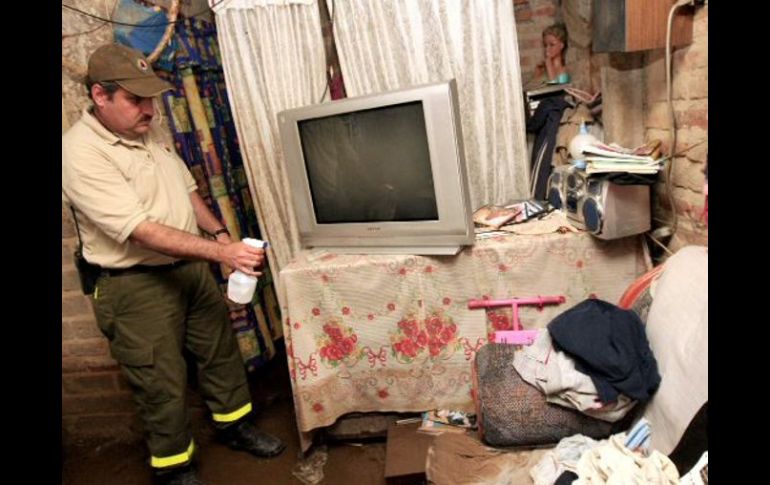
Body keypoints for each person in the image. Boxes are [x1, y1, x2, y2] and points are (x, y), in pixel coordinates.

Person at [62, 43, 286, 485]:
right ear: (100, 96)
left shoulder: (149, 134)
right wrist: (223, 253)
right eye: (135, 99)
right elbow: (140, 229)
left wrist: (219, 235)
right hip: (134, 284)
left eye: (151, 98)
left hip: (187, 267)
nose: (149, 109)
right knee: (158, 381)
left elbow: (186, 193)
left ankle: (234, 427)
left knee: (220, 354)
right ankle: (174, 467)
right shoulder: (80, 153)